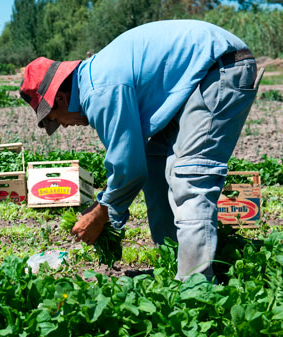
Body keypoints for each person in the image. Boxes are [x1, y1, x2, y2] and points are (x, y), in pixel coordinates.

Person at [19, 19, 262, 281]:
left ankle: (195, 289)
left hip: (218, 68)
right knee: (156, 164)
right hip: (193, 81)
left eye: (55, 118)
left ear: (62, 98)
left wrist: (103, 212)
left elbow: (128, 167)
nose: (63, 126)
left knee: (190, 178)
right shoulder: (95, 78)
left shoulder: (98, 90)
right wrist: (108, 207)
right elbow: (136, 161)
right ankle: (173, 260)